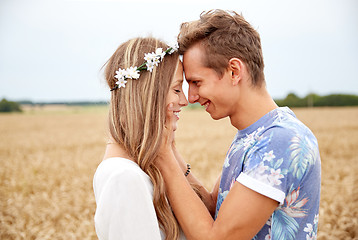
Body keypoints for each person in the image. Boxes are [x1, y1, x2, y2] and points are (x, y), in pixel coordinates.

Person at [157, 9, 321, 240]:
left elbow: (218, 238)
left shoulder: (279, 140)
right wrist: (171, 147)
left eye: (196, 82)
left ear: (234, 71)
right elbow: (215, 208)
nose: (191, 97)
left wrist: (163, 157)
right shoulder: (256, 133)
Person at [93, 37, 190, 240]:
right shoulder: (125, 178)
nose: (184, 100)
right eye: (177, 89)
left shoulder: (133, 170)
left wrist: (171, 150)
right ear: (149, 95)